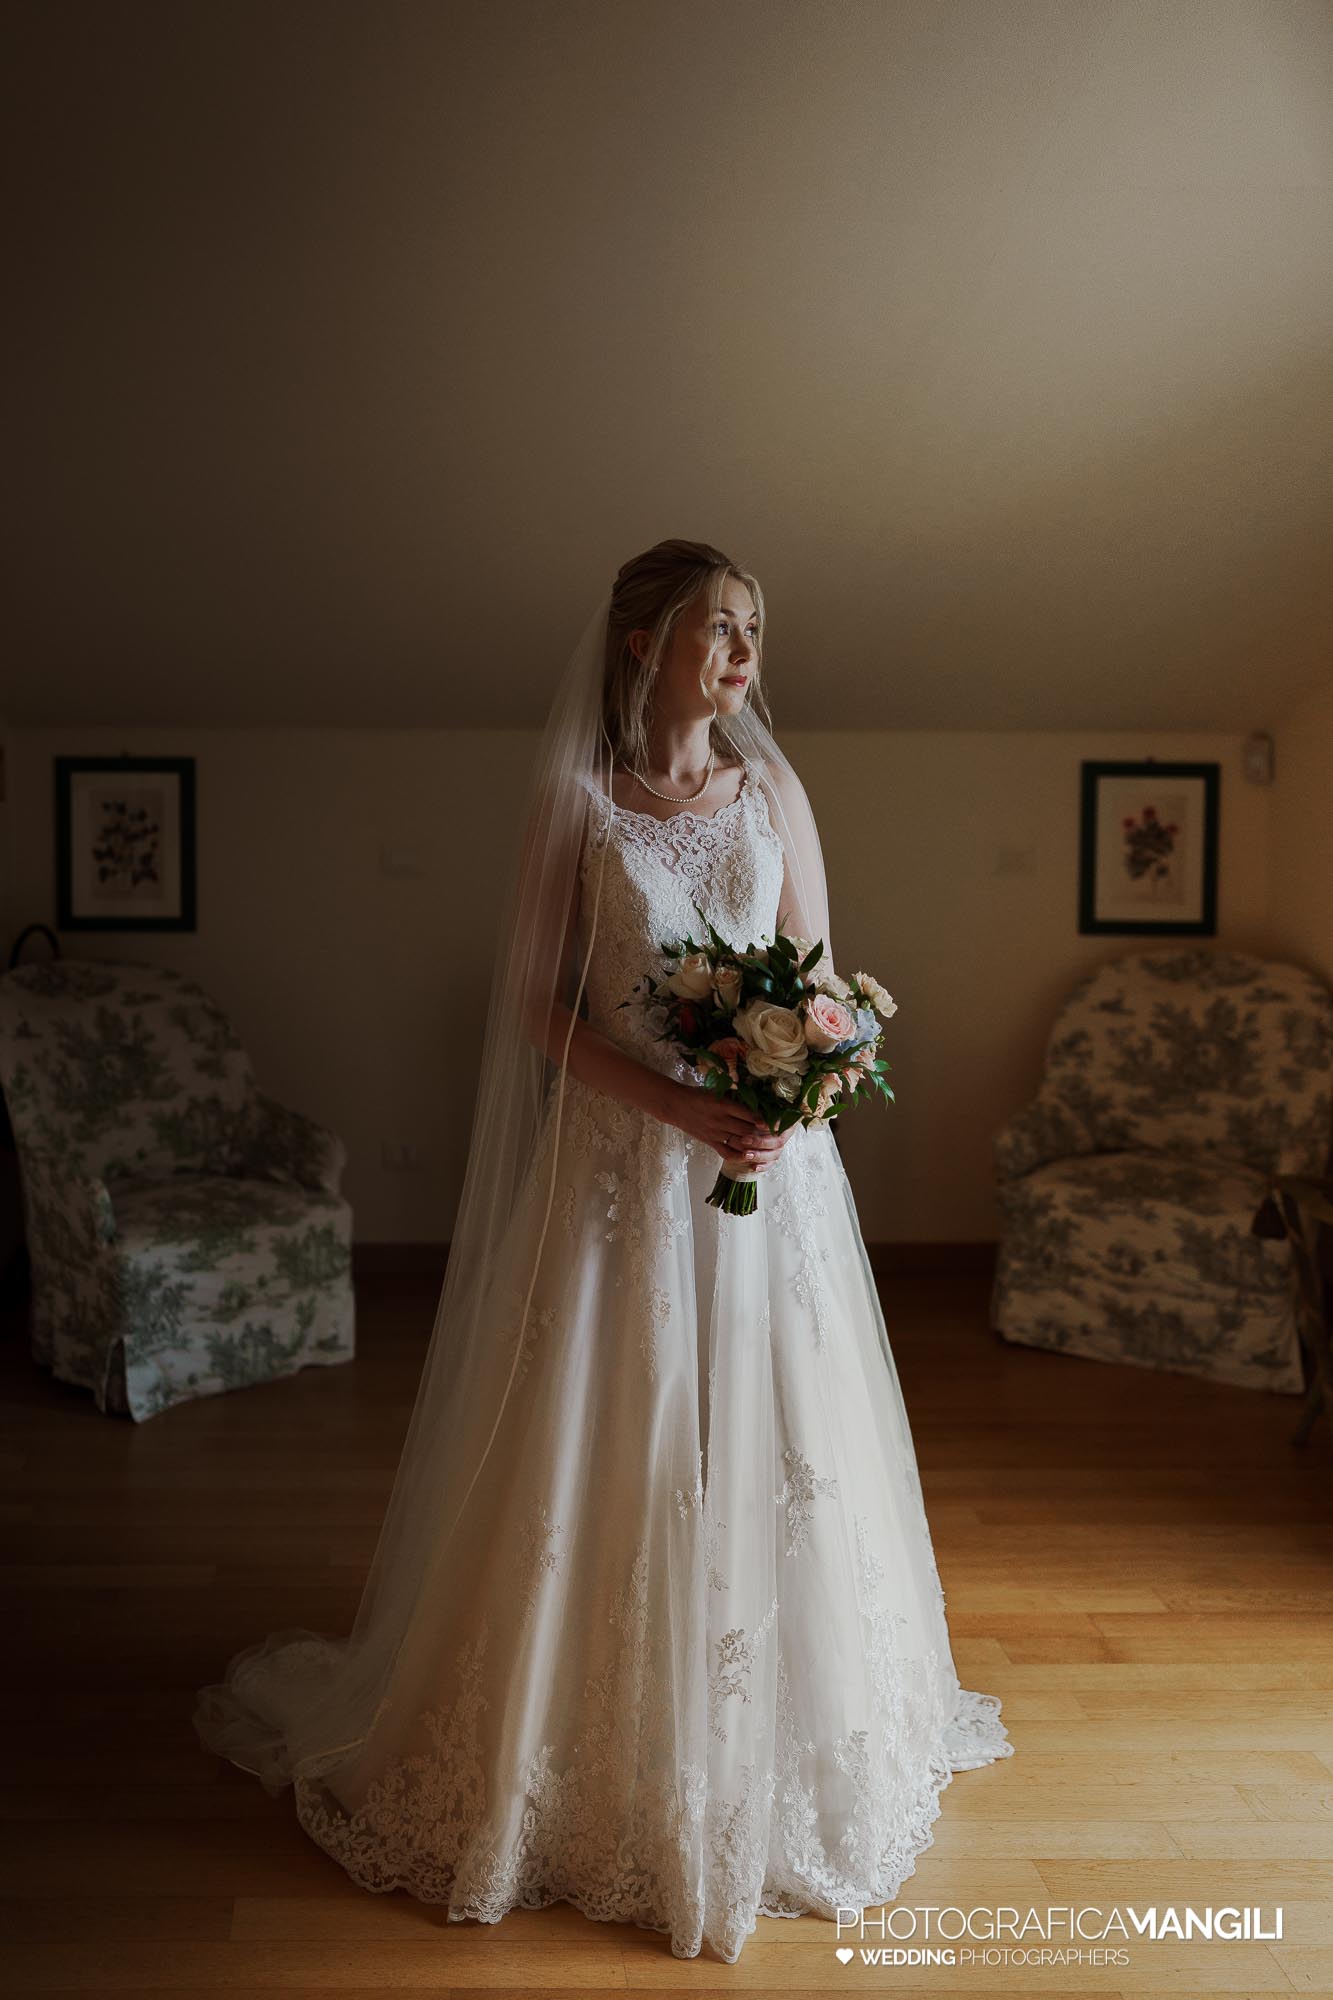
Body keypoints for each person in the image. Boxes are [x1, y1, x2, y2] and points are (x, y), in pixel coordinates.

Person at [192, 539, 1013, 1965]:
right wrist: (677, 1100)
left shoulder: (774, 790)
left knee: (780, 1439)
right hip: (623, 1171)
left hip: (765, 1175)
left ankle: (788, 1723)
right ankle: (570, 1746)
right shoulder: (576, 807)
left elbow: (818, 979)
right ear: (641, 641)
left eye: (755, 628)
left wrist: (798, 1084)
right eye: (719, 627)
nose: (747, 654)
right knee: (610, 1429)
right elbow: (535, 1008)